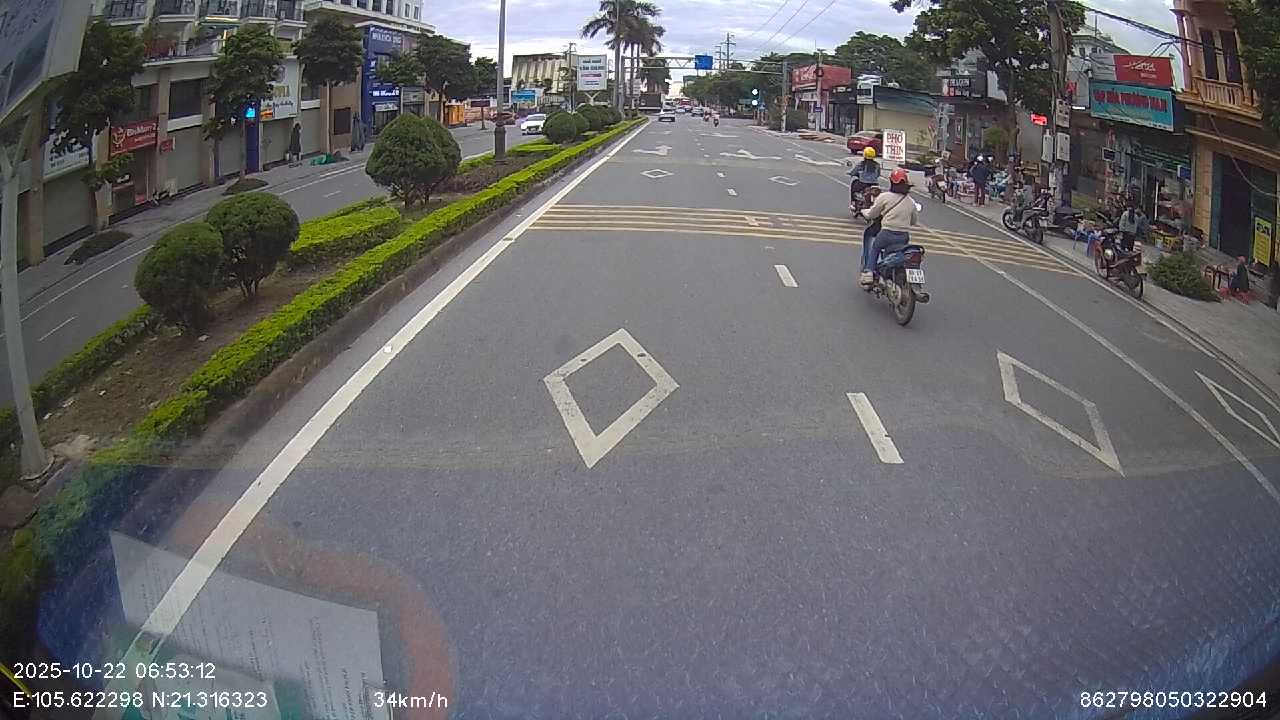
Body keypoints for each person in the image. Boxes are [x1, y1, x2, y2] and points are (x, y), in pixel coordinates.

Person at [859, 168, 919, 287]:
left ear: (891, 182)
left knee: (875, 248)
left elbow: (872, 214)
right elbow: (913, 221)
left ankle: (869, 272)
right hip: (903, 236)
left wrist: (863, 211)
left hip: (886, 233)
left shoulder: (884, 197)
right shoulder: (911, 202)